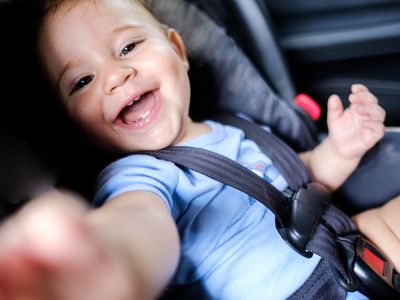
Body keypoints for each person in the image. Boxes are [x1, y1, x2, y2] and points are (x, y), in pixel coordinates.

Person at [0, 0, 398, 299]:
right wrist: (108, 260)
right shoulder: (137, 174)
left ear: (177, 49)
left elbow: (300, 180)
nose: (117, 76)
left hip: (349, 252)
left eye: (127, 47)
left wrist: (342, 150)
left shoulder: (234, 126)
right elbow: (139, 223)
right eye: (82, 81)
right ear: (73, 124)